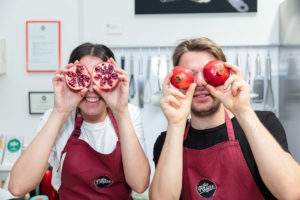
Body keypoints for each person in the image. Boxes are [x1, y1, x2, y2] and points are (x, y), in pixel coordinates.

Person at [149, 37, 300, 200]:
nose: (199, 82)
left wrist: (243, 110)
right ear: (176, 82)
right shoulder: (168, 140)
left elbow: (292, 193)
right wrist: (176, 124)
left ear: (225, 75)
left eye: (208, 73)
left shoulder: (263, 124)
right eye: (189, 75)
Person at [9, 43, 150, 199]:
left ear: (114, 80)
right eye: (84, 77)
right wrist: (59, 112)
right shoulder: (57, 117)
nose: (91, 88)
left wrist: (121, 112)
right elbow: (18, 186)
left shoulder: (128, 113)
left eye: (99, 78)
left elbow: (140, 184)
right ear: (70, 79)